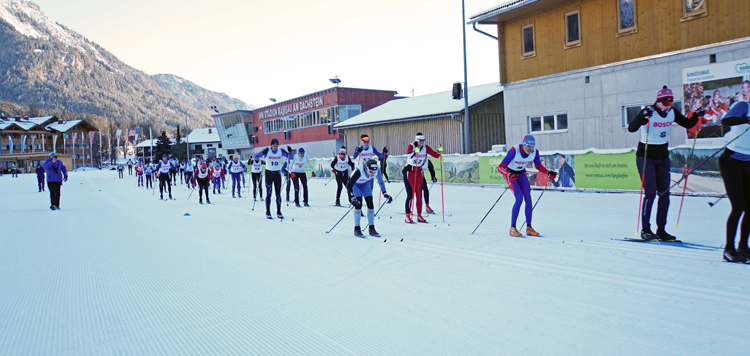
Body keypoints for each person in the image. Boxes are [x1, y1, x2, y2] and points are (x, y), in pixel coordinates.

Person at [628, 86, 698, 240]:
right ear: (658, 102)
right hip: (646, 156)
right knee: (651, 193)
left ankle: (661, 229)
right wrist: (642, 117)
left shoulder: (672, 112)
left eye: (670, 103)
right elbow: (631, 128)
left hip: (663, 156)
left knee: (665, 194)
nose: (668, 106)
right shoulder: (649, 111)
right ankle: (646, 229)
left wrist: (697, 115)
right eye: (665, 103)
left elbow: (687, 124)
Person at [497, 135, 557, 237]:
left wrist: (548, 173)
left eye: (533, 146)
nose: (531, 149)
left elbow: (538, 166)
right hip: (510, 174)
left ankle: (529, 227)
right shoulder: (514, 151)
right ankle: (512, 228)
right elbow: (500, 167)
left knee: (528, 199)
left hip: (521, 173)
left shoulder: (534, 152)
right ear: (524, 144)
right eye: (529, 146)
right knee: (519, 198)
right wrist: (509, 174)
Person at [718, 101, 750, 262]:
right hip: (731, 161)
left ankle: (743, 247)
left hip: (748, 162)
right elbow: (726, 120)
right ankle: (728, 248)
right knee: (738, 206)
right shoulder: (744, 106)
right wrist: (746, 119)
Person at [347, 159, 392, 238]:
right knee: (358, 205)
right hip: (355, 185)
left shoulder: (376, 169)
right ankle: (357, 229)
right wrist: (352, 197)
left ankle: (372, 228)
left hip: (365, 184)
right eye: (371, 172)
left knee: (370, 204)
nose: (373, 174)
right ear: (366, 169)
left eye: (374, 172)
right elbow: (349, 185)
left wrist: (384, 193)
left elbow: (380, 181)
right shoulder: (360, 170)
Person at [402, 133, 441, 223]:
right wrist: (415, 152)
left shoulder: (425, 147)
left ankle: (419, 215)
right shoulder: (411, 146)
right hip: (409, 172)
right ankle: (407, 216)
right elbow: (409, 155)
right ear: (416, 140)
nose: (422, 143)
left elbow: (435, 155)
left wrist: (439, 151)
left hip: (419, 173)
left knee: (419, 195)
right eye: (420, 141)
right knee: (410, 195)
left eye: (423, 141)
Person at [255, 138, 291, 219]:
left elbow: (290, 157)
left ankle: (279, 212)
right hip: (269, 173)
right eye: (274, 146)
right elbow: (256, 156)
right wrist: (262, 153)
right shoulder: (267, 150)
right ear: (271, 145)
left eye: (277, 146)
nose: (275, 147)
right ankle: (268, 212)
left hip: (277, 174)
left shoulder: (280, 150)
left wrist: (290, 152)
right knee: (269, 193)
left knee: (278, 194)